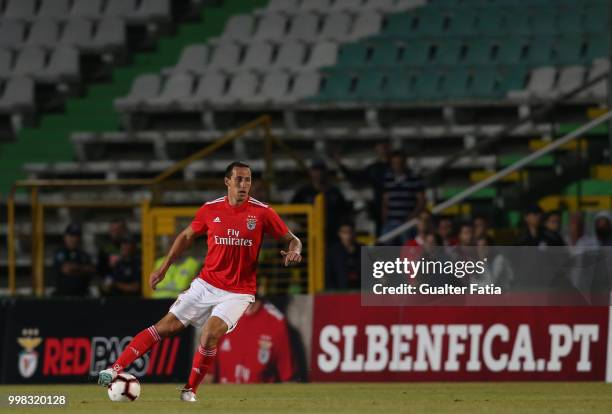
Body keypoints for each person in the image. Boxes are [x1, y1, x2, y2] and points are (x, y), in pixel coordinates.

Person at [96, 161, 302, 402]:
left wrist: (294, 251)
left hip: (238, 291)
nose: (244, 184)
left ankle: (189, 390)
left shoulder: (262, 212)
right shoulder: (210, 209)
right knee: (165, 327)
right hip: (206, 284)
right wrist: (164, 267)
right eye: (239, 179)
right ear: (227, 182)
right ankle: (114, 369)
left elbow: (292, 238)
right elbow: (185, 236)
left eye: (248, 180)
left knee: (209, 334)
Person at [209, 299, 294, 383]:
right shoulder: (221, 316)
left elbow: (287, 376)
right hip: (225, 394)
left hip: (259, 395)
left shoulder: (276, 322)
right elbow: (207, 374)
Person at [291, 159, 348, 243]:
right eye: (315, 170)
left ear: (326, 172)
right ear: (311, 172)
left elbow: (344, 212)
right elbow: (293, 212)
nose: (319, 173)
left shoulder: (334, 192)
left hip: (332, 237)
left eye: (321, 170)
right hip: (309, 236)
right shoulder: (304, 192)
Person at [380, 151, 426, 243]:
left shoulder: (414, 178)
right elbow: (385, 201)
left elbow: (421, 201)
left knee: (407, 248)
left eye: (400, 163)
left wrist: (411, 217)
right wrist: (385, 219)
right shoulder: (388, 178)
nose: (397, 165)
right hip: (391, 222)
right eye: (394, 163)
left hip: (407, 222)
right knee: (383, 246)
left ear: (405, 163)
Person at [53, 223, 96, 297]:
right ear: (65, 237)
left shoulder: (84, 254)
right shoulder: (60, 253)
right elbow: (66, 269)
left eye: (76, 236)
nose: (74, 239)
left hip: (82, 295)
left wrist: (74, 268)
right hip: (63, 296)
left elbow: (91, 270)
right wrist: (82, 269)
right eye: (71, 236)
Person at [325, 221, 362, 290]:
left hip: (361, 291)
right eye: (344, 233)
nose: (348, 236)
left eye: (350, 232)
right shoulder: (333, 252)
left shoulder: (362, 249)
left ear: (354, 233)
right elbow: (329, 275)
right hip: (341, 292)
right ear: (339, 234)